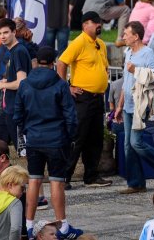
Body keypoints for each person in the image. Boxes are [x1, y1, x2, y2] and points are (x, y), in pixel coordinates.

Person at [14, 45, 81, 239]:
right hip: (57, 138)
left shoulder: (25, 84)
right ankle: (63, 226)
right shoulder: (60, 84)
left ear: (36, 62)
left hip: (34, 138)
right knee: (57, 182)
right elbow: (71, 115)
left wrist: (28, 130)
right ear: (53, 63)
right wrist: (70, 136)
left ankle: (28, 225)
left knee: (34, 180)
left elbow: (17, 114)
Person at [113, 21, 154, 194]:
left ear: (136, 36)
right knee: (128, 146)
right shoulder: (128, 52)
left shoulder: (148, 53)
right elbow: (125, 82)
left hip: (140, 104)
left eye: (126, 34)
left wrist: (135, 70)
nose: (123, 37)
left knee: (136, 143)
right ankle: (136, 183)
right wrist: (120, 105)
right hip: (128, 105)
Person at [57, 12, 113, 189]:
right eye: (95, 22)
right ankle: (65, 176)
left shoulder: (100, 44)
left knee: (95, 137)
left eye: (99, 22)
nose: (99, 25)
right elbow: (61, 63)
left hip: (98, 97)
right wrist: (67, 86)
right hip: (83, 97)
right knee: (77, 136)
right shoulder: (79, 42)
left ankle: (91, 175)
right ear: (84, 25)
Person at [0, 18, 30, 146]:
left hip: (16, 109)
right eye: (0, 33)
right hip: (9, 108)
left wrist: (2, 85)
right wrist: (7, 80)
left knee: (22, 150)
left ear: (14, 32)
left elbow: (22, 82)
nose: (2, 36)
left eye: (6, 32)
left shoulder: (18, 51)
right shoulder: (13, 51)